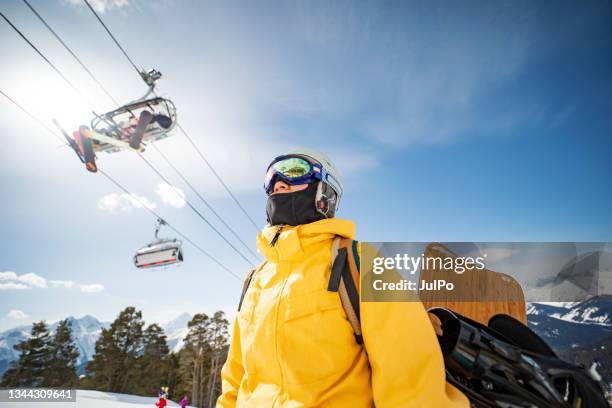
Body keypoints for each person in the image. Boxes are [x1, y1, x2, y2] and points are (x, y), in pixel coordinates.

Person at [217, 149, 469, 407]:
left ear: (325, 193)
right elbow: (236, 377)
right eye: (270, 179)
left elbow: (410, 377)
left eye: (294, 171)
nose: (278, 183)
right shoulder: (255, 280)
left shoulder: (361, 262)